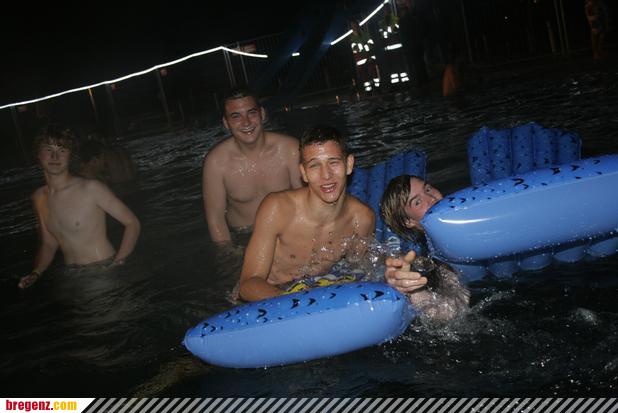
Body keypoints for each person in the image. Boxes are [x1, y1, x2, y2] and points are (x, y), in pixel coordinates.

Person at [238, 125, 376, 301]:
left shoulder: (362, 219)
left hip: (315, 292)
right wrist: (298, 303)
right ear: (303, 173)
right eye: (314, 165)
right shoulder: (278, 209)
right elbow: (248, 284)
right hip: (271, 295)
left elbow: (359, 273)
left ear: (349, 164)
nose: (326, 175)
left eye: (333, 162)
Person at [18, 124, 141, 289]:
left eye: (62, 150)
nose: (55, 156)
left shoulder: (91, 188)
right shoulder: (39, 197)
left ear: (70, 156)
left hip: (102, 268)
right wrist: (36, 272)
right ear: (38, 154)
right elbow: (49, 242)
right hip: (73, 274)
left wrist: (117, 264)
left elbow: (132, 223)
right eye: (48, 149)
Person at [202, 88, 302, 247]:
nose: (246, 122)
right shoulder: (216, 162)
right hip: (245, 237)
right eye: (236, 116)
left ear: (262, 114)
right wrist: (229, 253)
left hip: (289, 230)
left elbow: (308, 202)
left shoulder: (290, 150)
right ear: (226, 123)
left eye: (252, 113)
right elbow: (216, 219)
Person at [380, 174, 469, 321]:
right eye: (418, 202)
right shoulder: (435, 257)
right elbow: (454, 309)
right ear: (409, 221)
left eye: (427, 189)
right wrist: (413, 292)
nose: (431, 198)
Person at [378, 5, 410, 86]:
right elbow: (382, 35)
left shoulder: (395, 19)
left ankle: (405, 82)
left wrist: (390, 30)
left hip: (397, 46)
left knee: (401, 65)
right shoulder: (381, 23)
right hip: (389, 48)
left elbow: (397, 29)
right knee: (393, 67)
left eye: (387, 10)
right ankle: (396, 84)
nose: (386, 12)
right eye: (384, 10)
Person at [349, 20, 381, 94]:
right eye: (353, 26)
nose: (355, 27)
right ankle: (369, 92)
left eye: (356, 25)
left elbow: (371, 43)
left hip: (369, 57)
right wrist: (365, 45)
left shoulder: (365, 34)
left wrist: (365, 46)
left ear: (358, 25)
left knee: (374, 74)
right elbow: (354, 48)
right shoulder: (352, 38)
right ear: (352, 28)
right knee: (364, 77)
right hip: (360, 59)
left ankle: (378, 89)